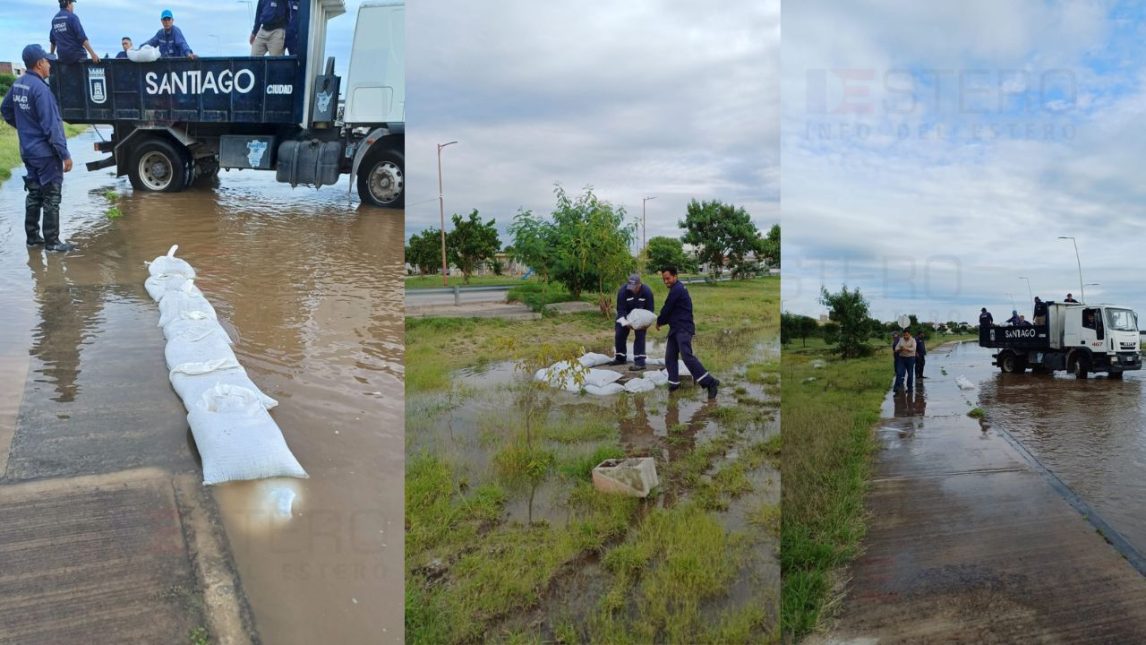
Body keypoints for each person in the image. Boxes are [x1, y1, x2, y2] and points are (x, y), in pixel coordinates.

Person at [1, 44, 76, 252]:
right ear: (39, 63)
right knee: (52, 197)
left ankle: (33, 238)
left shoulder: (18, 85)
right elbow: (52, 126)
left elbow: (5, 110)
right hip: (45, 154)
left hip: (28, 151)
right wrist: (65, 155)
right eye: (46, 61)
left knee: (34, 194)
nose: (49, 65)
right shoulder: (41, 90)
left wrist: (24, 128)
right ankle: (52, 243)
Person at [655, 266, 720, 399]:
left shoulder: (677, 289)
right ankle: (674, 383)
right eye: (663, 279)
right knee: (670, 357)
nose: (665, 281)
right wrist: (663, 321)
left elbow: (667, 307)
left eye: (667, 278)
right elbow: (672, 310)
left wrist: (659, 321)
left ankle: (710, 382)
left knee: (686, 356)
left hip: (683, 328)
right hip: (675, 328)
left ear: (675, 276)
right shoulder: (676, 288)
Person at [612, 273, 654, 371]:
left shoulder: (647, 292)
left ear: (640, 284)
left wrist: (646, 324)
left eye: (634, 287)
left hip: (640, 317)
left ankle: (640, 362)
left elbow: (650, 311)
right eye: (630, 286)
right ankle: (620, 358)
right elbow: (621, 310)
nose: (632, 289)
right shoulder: (623, 291)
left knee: (640, 335)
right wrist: (626, 324)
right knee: (619, 334)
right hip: (625, 316)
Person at [49, 0, 101, 64]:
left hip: (62, 58)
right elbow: (82, 38)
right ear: (68, 3)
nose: (73, 6)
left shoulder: (55, 19)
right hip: (77, 57)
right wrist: (93, 54)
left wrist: (51, 55)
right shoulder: (72, 17)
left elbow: (53, 40)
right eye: (72, 4)